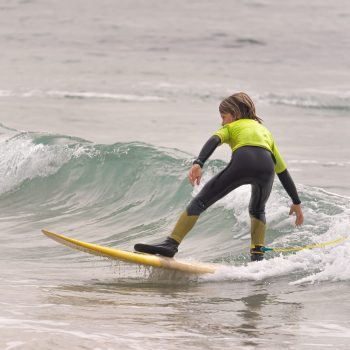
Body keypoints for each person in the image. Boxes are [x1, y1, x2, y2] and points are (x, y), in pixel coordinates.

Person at [134, 92, 304, 261]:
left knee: (200, 201)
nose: (222, 122)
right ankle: (257, 256)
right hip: (267, 168)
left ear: (235, 113)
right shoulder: (265, 131)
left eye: (223, 116)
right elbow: (282, 171)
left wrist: (198, 162)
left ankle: (171, 244)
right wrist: (296, 202)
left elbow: (213, 140)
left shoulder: (231, 127)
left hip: (243, 161)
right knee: (258, 210)